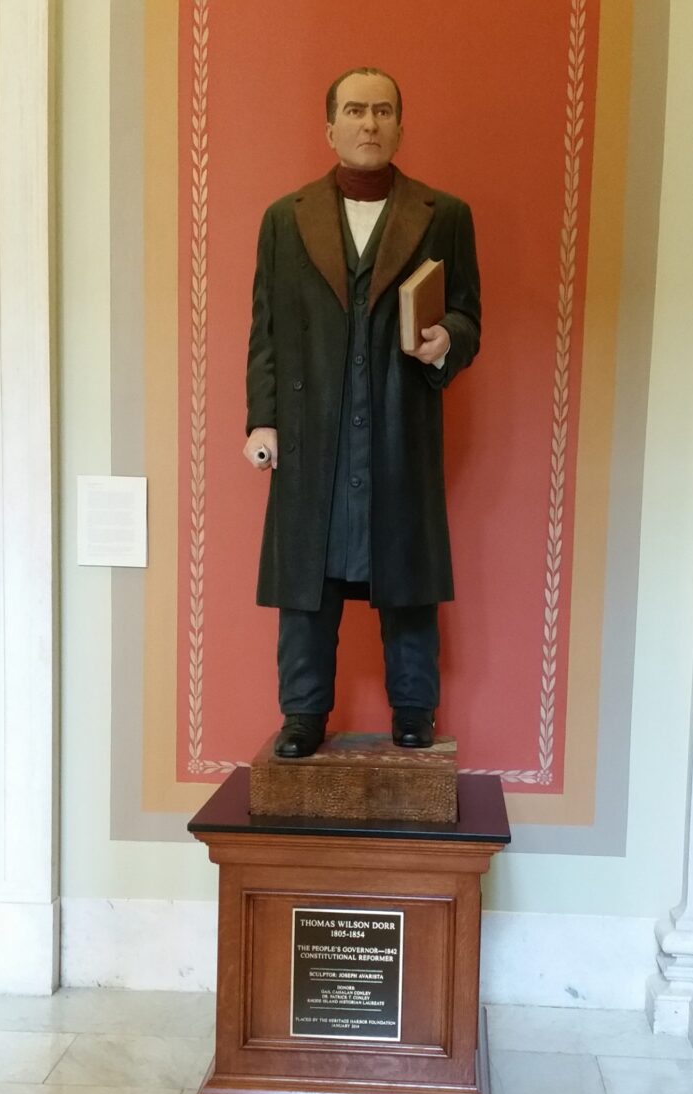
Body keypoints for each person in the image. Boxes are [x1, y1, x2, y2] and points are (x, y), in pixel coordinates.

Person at [243, 66, 480, 758]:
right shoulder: (284, 220)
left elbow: (467, 313)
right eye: (355, 110)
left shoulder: (448, 216)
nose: (369, 123)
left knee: (404, 571)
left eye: (382, 111)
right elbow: (265, 329)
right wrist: (262, 418)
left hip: (400, 422)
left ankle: (415, 708)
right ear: (331, 128)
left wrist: (448, 341)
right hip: (311, 428)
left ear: (400, 127)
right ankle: (302, 713)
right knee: (306, 583)